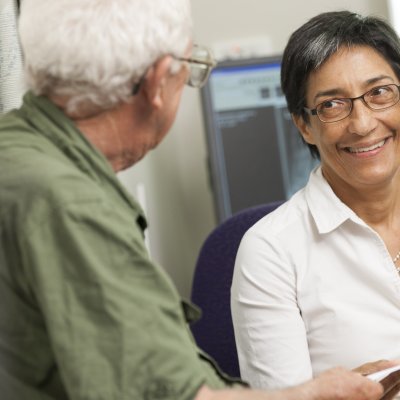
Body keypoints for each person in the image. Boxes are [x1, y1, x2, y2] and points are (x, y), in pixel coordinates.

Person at [0, 2, 387, 399]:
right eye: (190, 64)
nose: (362, 122)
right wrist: (315, 395)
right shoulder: (70, 206)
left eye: (379, 93)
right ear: (157, 82)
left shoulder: (18, 159)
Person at [231, 9, 400, 391]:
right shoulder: (271, 252)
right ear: (304, 125)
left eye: (379, 93)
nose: (362, 124)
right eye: (332, 105)